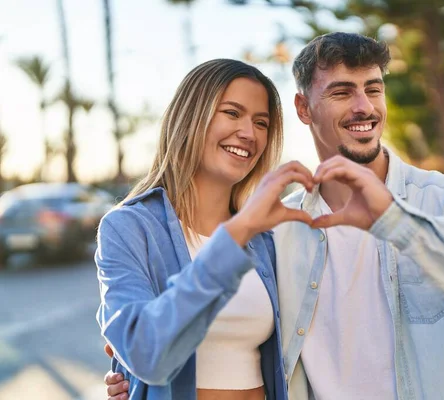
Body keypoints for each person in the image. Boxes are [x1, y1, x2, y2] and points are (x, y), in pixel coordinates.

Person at [106, 33, 444, 400]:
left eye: (373, 89)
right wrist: (132, 374)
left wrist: (398, 221)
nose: (364, 107)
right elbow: (175, 327)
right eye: (341, 91)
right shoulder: (279, 227)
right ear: (303, 109)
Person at [96, 58, 316, 400]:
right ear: (191, 116)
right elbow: (145, 351)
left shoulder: (264, 240)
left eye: (261, 122)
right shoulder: (128, 228)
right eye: (231, 113)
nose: (249, 133)